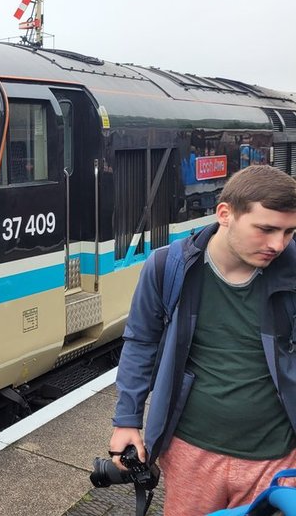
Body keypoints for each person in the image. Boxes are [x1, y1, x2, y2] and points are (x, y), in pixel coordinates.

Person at [110, 164, 296, 515]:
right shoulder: (169, 267)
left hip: (276, 458)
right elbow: (141, 343)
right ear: (225, 214)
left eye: (289, 232)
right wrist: (126, 421)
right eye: (266, 229)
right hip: (190, 452)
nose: (278, 244)